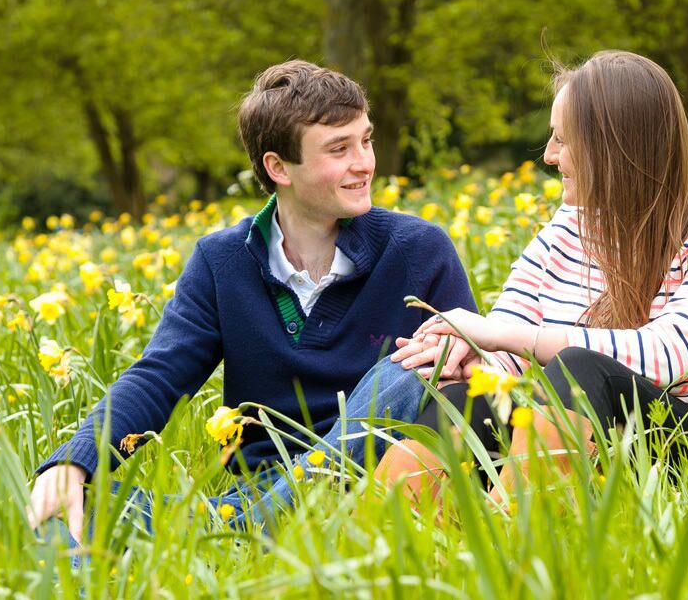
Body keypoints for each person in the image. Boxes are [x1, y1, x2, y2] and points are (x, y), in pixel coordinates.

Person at [28, 60, 476, 541]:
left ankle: (256, 525)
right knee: (57, 501)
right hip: (254, 492)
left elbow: (470, 388)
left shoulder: (419, 249)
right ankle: (260, 520)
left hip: (380, 491)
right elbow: (159, 376)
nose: (364, 162)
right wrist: (75, 461)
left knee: (407, 371)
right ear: (278, 167)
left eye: (365, 140)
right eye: (339, 149)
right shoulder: (222, 261)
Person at [379, 51, 688, 497]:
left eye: (562, 140)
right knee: (466, 399)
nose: (549, 156)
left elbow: (667, 354)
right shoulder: (568, 228)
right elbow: (505, 340)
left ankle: (509, 545)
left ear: (616, 148)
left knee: (581, 369)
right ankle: (387, 540)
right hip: (603, 449)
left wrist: (496, 337)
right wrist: (468, 354)